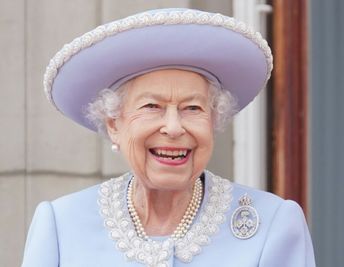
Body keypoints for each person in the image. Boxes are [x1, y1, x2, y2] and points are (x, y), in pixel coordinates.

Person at [21, 8, 315, 267]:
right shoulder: (61, 224)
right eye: (152, 107)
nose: (174, 128)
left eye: (192, 108)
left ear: (213, 121)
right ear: (114, 125)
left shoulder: (272, 225)